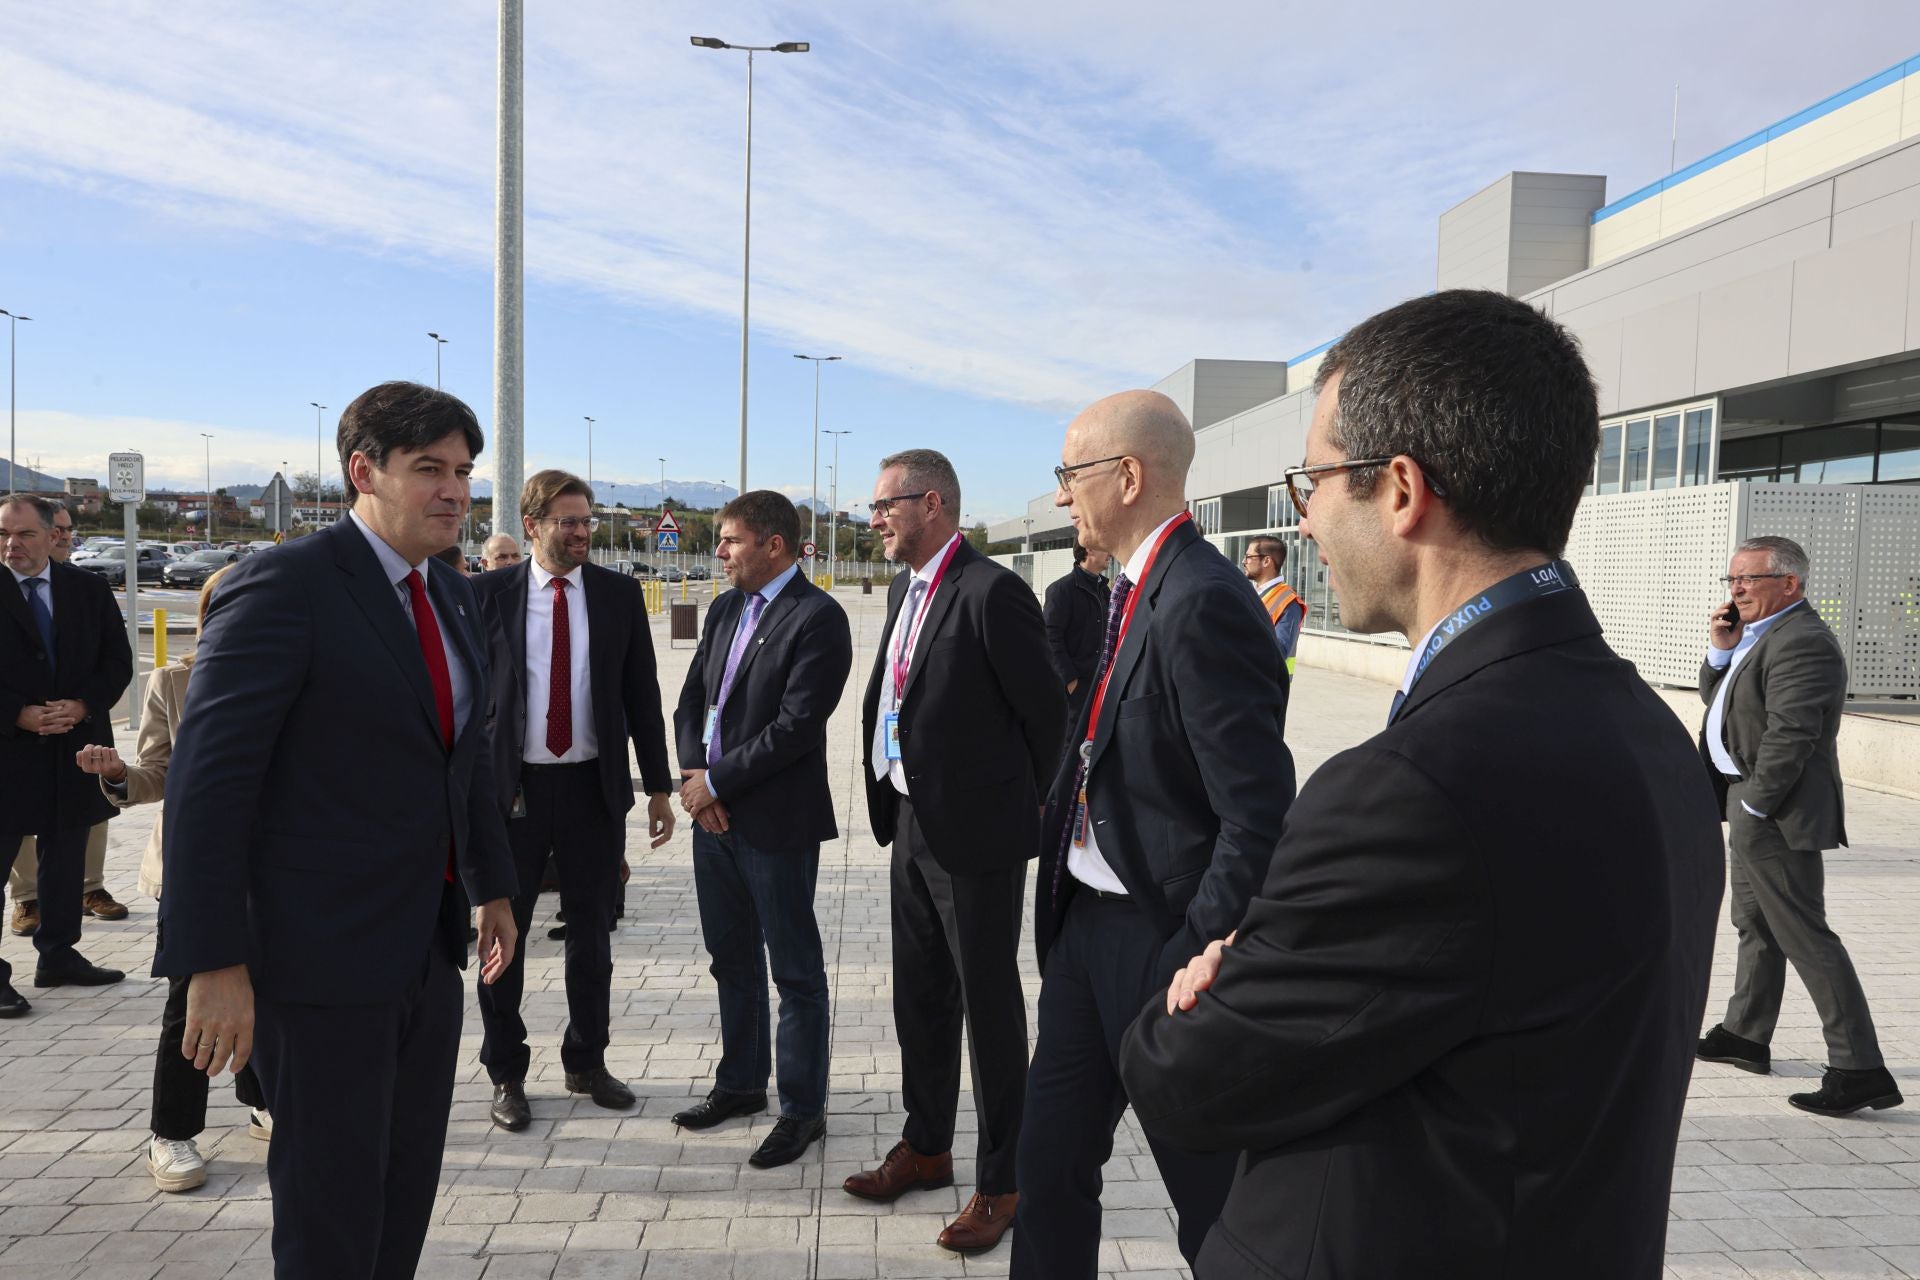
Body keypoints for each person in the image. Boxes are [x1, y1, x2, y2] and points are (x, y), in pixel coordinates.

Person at [1119, 290, 1725, 1279]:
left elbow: (1186, 1079)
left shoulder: (1412, 787)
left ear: (1401, 490)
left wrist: (1215, 976)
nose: (1303, 516)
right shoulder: (1651, 732)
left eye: (1311, 480)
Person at [154, 381, 520, 1279]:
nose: (454, 492)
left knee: (403, 1191)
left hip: (426, 953)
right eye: (428, 469)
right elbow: (208, 788)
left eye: (464, 472)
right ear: (364, 472)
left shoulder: (454, 593)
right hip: (317, 963)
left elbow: (460, 757)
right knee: (330, 1205)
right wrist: (211, 961)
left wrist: (494, 886)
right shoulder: (284, 587)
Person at [1011, 393, 1295, 1277]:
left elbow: (1255, 814)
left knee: (1212, 1201)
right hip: (1085, 933)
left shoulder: (1203, 599)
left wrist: (1187, 950)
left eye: (1071, 474)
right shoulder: (1130, 590)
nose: (1061, 498)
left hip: (1159, 944)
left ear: (1127, 477)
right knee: (1049, 1164)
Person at [848, 449, 1064, 1254]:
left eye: (883, 506)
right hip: (909, 820)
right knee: (922, 999)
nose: (873, 520)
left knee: (989, 1011)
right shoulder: (908, 585)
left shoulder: (993, 590)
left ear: (930, 503)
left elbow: (1048, 720)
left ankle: (1003, 1181)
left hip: (975, 839)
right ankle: (927, 1146)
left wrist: (1008, 809)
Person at [472, 469, 676, 1132]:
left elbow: (642, 697)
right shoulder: (487, 595)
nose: (583, 531)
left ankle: (586, 1060)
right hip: (514, 795)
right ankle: (506, 1072)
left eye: (587, 520)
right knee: (504, 936)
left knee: (593, 934)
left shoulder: (619, 595)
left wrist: (657, 790)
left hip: (593, 789)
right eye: (568, 521)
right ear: (533, 525)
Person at [74, 565, 271, 1193]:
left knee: (269, 989)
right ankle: (172, 1133)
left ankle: (261, 1097)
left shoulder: (290, 675)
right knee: (190, 1000)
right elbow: (155, 772)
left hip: (274, 865)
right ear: (210, 614)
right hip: (196, 868)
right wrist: (117, 774)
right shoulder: (175, 681)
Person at [671, 490, 852, 1168]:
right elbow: (694, 697)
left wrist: (717, 783)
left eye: (729, 540)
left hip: (774, 822)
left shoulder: (818, 618)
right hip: (711, 817)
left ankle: (802, 1110)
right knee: (731, 960)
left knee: (795, 973)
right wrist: (696, 777)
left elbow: (796, 729)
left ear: (772, 545)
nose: (719, 552)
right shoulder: (724, 609)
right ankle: (741, 1084)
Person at [1695, 536, 1902, 1116]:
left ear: (1789, 583)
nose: (1736, 590)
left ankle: (1860, 1068)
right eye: (1731, 580)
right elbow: (1726, 708)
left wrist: (1757, 806)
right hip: (1750, 802)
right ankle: (1745, 1034)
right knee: (1754, 924)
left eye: (1749, 580)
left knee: (1805, 936)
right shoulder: (1760, 638)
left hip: (1774, 810)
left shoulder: (1804, 642)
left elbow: (1793, 733)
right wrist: (1721, 652)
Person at [0, 493, 134, 1016]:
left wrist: (81, 706)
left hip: (76, 749)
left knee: (65, 856)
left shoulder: (88, 588)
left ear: (52, 536)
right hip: (9, 749)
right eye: (3, 535)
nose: (12, 545)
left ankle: (58, 955)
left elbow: (117, 661)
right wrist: (17, 713)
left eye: (24, 534)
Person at [1041, 540, 1111, 724]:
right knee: (1071, 749)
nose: (1109, 552)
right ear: (1089, 548)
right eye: (1105, 547)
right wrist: (1071, 682)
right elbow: (1050, 638)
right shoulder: (1061, 590)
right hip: (1076, 695)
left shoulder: (1104, 590)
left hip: (1101, 688)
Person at [1242, 534, 1307, 676]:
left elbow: (1279, 652)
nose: (1243, 561)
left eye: (1248, 557)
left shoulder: (1288, 602)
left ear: (1266, 561)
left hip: (1268, 688)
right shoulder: (1253, 594)